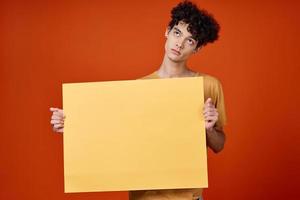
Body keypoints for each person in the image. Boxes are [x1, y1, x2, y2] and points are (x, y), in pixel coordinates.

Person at [50, 1, 227, 200]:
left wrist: (210, 128)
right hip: (144, 196)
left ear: (198, 48)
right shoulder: (138, 87)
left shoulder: (208, 86)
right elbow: (112, 135)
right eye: (177, 33)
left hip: (188, 197)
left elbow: (219, 145)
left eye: (190, 40)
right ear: (167, 32)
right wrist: (71, 125)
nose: (180, 43)